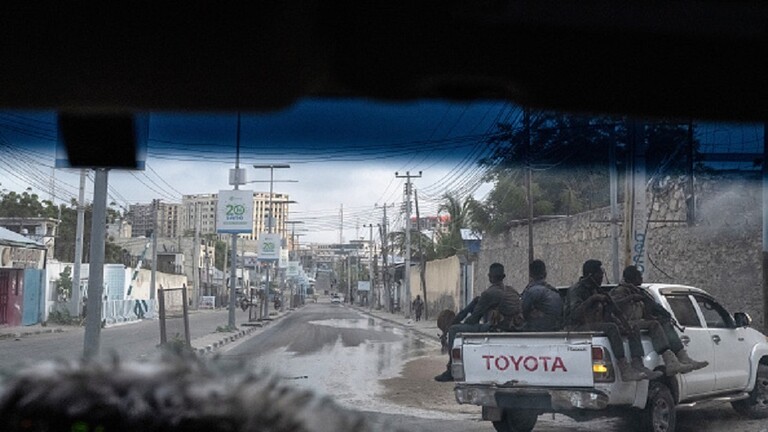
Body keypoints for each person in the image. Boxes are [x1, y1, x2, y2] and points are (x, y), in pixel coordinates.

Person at [563, 259, 660, 382]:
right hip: (576, 326)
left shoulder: (596, 289)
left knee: (632, 326)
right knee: (611, 328)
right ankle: (624, 369)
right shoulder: (577, 290)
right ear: (590, 275)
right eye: (599, 274)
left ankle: (638, 364)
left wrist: (624, 325)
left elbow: (612, 311)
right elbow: (574, 314)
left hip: (593, 324)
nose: (601, 278)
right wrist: (592, 299)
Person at [609, 265, 708, 375]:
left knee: (663, 322)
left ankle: (681, 357)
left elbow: (648, 308)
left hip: (636, 321)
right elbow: (613, 305)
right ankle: (670, 360)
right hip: (625, 323)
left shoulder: (638, 291)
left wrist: (657, 315)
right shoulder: (621, 291)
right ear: (633, 278)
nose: (641, 278)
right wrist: (630, 298)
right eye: (639, 276)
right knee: (654, 324)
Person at [434, 263, 523, 382]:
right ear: (503, 276)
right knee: (476, 302)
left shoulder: (489, 294)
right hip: (512, 326)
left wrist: (462, 322)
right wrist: (476, 303)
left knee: (454, 330)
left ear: (489, 277)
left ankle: (451, 370)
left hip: (496, 328)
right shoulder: (511, 290)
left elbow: (473, 320)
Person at [521, 259, 563, 331]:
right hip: (555, 330)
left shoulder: (532, 291)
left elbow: (522, 311)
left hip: (536, 332)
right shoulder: (555, 292)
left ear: (530, 274)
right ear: (545, 274)